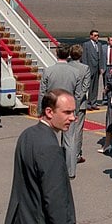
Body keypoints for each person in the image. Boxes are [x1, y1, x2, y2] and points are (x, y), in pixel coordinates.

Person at [1, 89, 80, 224]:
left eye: (73, 112)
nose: (73, 118)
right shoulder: (50, 148)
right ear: (49, 112)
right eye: (67, 112)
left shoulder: (27, 135)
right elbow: (56, 204)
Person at [39, 43, 82, 178]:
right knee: (70, 141)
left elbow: (42, 93)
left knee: (50, 140)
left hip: (52, 111)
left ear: (56, 53)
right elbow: (78, 94)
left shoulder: (48, 71)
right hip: (69, 110)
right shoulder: (76, 72)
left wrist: (40, 111)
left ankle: (50, 170)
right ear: (68, 54)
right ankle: (71, 171)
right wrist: (75, 111)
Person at [68, 44, 91, 164]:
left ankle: (66, 152)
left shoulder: (66, 66)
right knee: (78, 130)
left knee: (66, 129)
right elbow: (85, 86)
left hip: (66, 103)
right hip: (79, 103)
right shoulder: (85, 68)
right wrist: (77, 100)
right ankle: (76, 154)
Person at [81, 29, 104, 110]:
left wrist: (101, 67)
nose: (97, 37)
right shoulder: (86, 45)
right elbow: (84, 57)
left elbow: (101, 57)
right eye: (95, 35)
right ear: (91, 36)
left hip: (97, 68)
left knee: (95, 87)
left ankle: (93, 103)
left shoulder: (99, 45)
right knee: (89, 87)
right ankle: (88, 103)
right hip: (89, 68)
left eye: (98, 35)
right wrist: (86, 68)